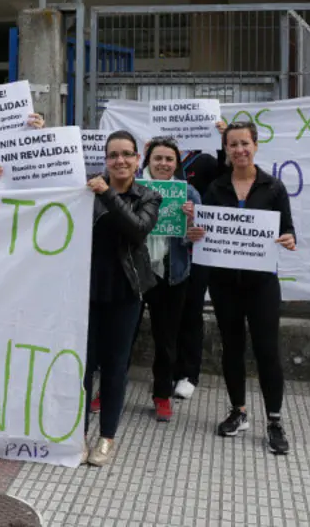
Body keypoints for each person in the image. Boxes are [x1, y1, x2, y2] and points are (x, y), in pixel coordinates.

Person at [198, 120, 296, 455]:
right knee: (232, 347)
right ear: (225, 150)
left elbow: (288, 229)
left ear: (256, 145)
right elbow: (203, 230)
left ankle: (274, 420)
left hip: (262, 285)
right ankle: (238, 411)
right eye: (233, 145)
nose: (239, 150)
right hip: (225, 284)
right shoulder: (216, 188)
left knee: (267, 351)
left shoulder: (273, 187)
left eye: (245, 143)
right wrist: (195, 233)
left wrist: (288, 239)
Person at [82, 130, 159, 467]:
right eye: (113, 155)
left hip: (126, 292)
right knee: (83, 368)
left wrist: (108, 195)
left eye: (126, 154)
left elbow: (137, 229)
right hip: (86, 292)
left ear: (136, 159)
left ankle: (106, 436)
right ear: (105, 159)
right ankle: (78, 434)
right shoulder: (87, 189)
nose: (120, 161)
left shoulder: (148, 196)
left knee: (115, 368)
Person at [139, 137, 205, 422]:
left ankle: (162, 394)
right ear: (148, 162)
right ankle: (107, 390)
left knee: (167, 339)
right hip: (137, 271)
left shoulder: (188, 192)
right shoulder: (133, 188)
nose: (163, 164)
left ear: (176, 163)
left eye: (169, 159)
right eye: (158, 159)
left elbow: (200, 236)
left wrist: (191, 226)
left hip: (172, 274)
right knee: (124, 337)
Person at [172, 150, 222, 400]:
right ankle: (168, 370)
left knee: (191, 311)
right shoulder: (157, 153)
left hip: (197, 250)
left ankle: (188, 373)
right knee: (167, 313)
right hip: (166, 250)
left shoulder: (205, 161)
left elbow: (226, 184)